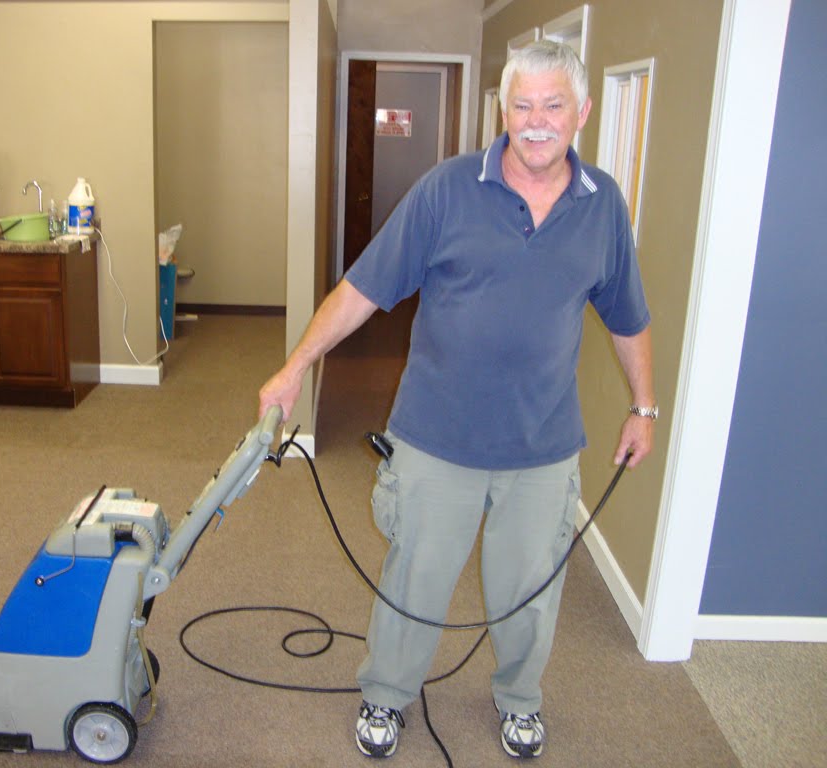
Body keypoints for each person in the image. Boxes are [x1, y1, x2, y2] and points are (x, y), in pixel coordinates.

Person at [258, 40, 655, 760]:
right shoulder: (447, 190)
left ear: (583, 112)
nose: (536, 121)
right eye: (523, 104)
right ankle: (386, 693)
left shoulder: (603, 207)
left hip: (542, 444)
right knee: (415, 579)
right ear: (505, 111)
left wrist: (644, 405)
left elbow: (627, 315)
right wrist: (296, 368)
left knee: (530, 592)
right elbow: (363, 289)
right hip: (436, 436)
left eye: (553, 105)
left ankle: (520, 700)